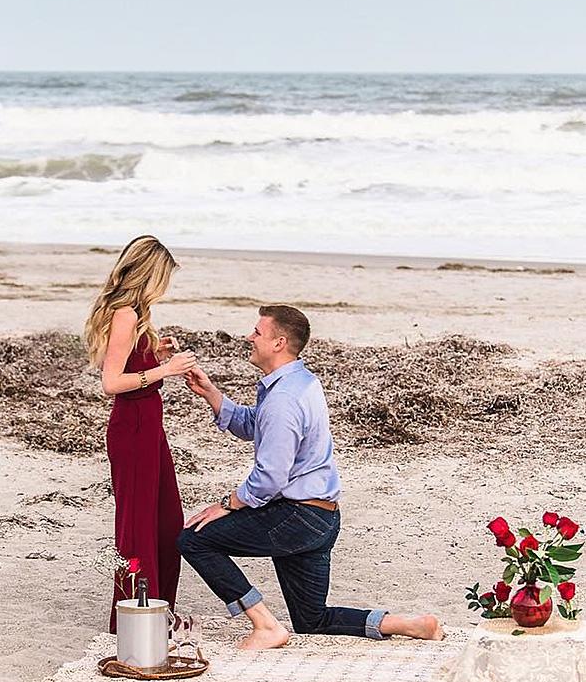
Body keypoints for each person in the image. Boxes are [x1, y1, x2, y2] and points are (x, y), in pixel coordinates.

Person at [179, 304, 443, 650]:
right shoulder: (298, 383)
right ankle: (410, 624)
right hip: (322, 518)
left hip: (296, 518)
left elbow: (270, 477)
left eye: (257, 332)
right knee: (312, 620)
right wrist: (211, 393)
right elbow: (252, 425)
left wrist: (227, 504)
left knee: (193, 539)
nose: (249, 337)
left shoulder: (284, 399)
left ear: (279, 342)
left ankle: (265, 626)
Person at [84, 235, 196, 632]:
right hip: (132, 426)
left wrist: (154, 354)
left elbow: (131, 365)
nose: (166, 287)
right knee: (137, 526)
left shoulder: (138, 317)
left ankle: (158, 608)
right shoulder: (125, 314)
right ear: (151, 275)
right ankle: (134, 617)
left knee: (167, 520)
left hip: (149, 425)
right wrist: (164, 370)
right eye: (164, 278)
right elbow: (111, 382)